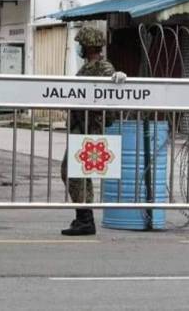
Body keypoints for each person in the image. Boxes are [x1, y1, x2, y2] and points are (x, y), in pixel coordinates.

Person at [60, 26, 126, 236]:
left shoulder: (102, 66)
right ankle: (83, 217)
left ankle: (85, 219)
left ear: (87, 46)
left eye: (81, 44)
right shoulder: (87, 67)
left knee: (74, 172)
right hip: (81, 127)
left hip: (91, 128)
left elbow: (113, 76)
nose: (79, 47)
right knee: (75, 173)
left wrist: (119, 75)